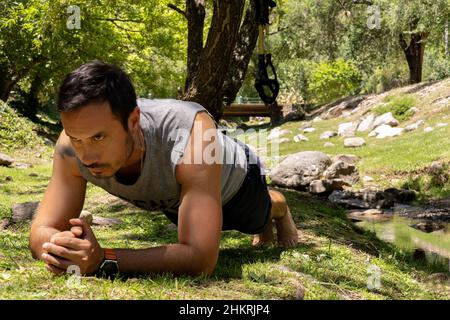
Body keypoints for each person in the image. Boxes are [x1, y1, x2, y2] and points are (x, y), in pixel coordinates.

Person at [29, 61, 298, 278]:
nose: (85, 156)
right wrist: (62, 247)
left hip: (238, 182)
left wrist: (104, 259)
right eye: (77, 139)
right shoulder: (69, 146)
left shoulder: (193, 133)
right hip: (175, 196)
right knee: (188, 220)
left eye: (98, 138)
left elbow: (201, 259)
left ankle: (278, 206)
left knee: (254, 221)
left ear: (133, 120)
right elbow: (41, 230)